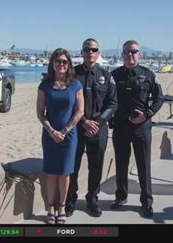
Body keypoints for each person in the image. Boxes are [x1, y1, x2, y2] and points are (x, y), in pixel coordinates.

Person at [110, 40, 164, 217]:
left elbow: (159, 98)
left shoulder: (148, 75)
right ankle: (121, 196)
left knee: (143, 165)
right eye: (127, 52)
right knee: (121, 163)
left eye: (134, 52)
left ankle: (147, 202)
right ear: (122, 55)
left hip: (141, 127)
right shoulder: (114, 75)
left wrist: (147, 114)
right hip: (120, 126)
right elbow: (107, 100)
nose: (130, 55)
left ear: (139, 54)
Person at [66, 38, 117, 218]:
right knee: (73, 165)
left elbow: (112, 103)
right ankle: (70, 198)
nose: (90, 53)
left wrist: (98, 123)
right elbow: (68, 103)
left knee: (96, 166)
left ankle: (92, 198)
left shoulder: (106, 75)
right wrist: (83, 121)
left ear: (98, 53)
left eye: (94, 50)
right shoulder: (72, 75)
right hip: (77, 127)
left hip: (98, 128)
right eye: (87, 49)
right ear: (81, 52)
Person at [37, 48, 84, 224]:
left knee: (64, 174)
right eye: (58, 61)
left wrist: (64, 132)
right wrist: (51, 131)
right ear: (52, 64)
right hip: (49, 135)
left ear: (69, 64)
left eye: (64, 61)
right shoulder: (44, 85)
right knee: (50, 173)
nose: (61, 64)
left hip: (69, 136)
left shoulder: (76, 85)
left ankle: (62, 207)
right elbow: (40, 113)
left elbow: (80, 112)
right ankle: (50, 207)